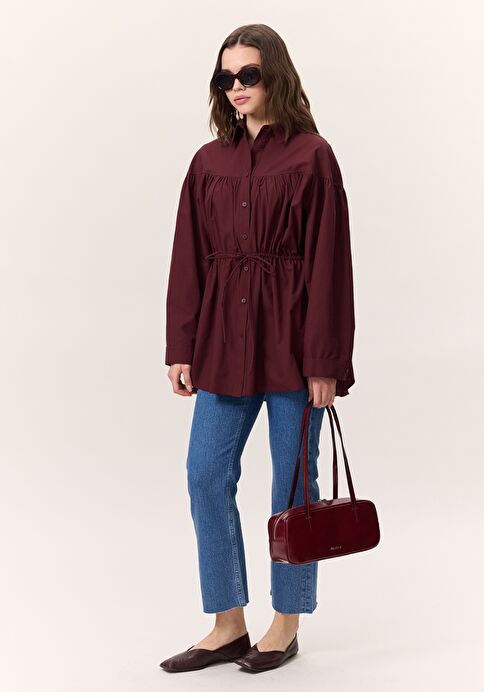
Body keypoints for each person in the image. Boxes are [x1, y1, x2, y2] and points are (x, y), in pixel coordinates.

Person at [160, 23, 356, 674]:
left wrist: (326, 361)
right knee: (204, 475)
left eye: (249, 74)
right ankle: (227, 624)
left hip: (294, 348)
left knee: (293, 483)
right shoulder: (207, 163)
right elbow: (188, 258)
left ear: (275, 74)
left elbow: (330, 265)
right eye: (227, 77)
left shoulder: (311, 156)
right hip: (221, 343)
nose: (237, 86)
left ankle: (285, 623)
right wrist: (181, 346)